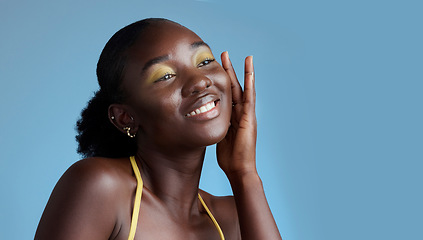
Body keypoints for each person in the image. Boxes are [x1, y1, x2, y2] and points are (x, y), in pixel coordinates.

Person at [35, 18, 281, 240]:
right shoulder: (100, 188)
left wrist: (244, 174)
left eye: (205, 61)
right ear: (124, 117)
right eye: (165, 76)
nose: (200, 80)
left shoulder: (232, 218)